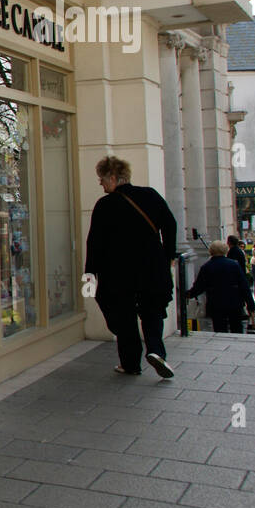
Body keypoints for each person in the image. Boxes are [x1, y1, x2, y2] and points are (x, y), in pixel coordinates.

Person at [85, 156, 177, 378]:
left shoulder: (105, 205)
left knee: (124, 317)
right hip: (152, 268)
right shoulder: (150, 195)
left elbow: (94, 242)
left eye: (102, 179)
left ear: (114, 178)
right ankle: (156, 350)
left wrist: (90, 273)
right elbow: (170, 224)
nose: (101, 183)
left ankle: (130, 363)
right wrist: (168, 256)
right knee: (152, 311)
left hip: (118, 273)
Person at [188, 241, 255, 333]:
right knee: (236, 329)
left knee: (219, 329)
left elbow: (199, 287)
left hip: (216, 303)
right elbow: (244, 286)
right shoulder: (234, 265)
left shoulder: (206, 267)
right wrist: (251, 305)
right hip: (234, 302)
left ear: (211, 251)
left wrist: (187, 295)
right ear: (225, 250)